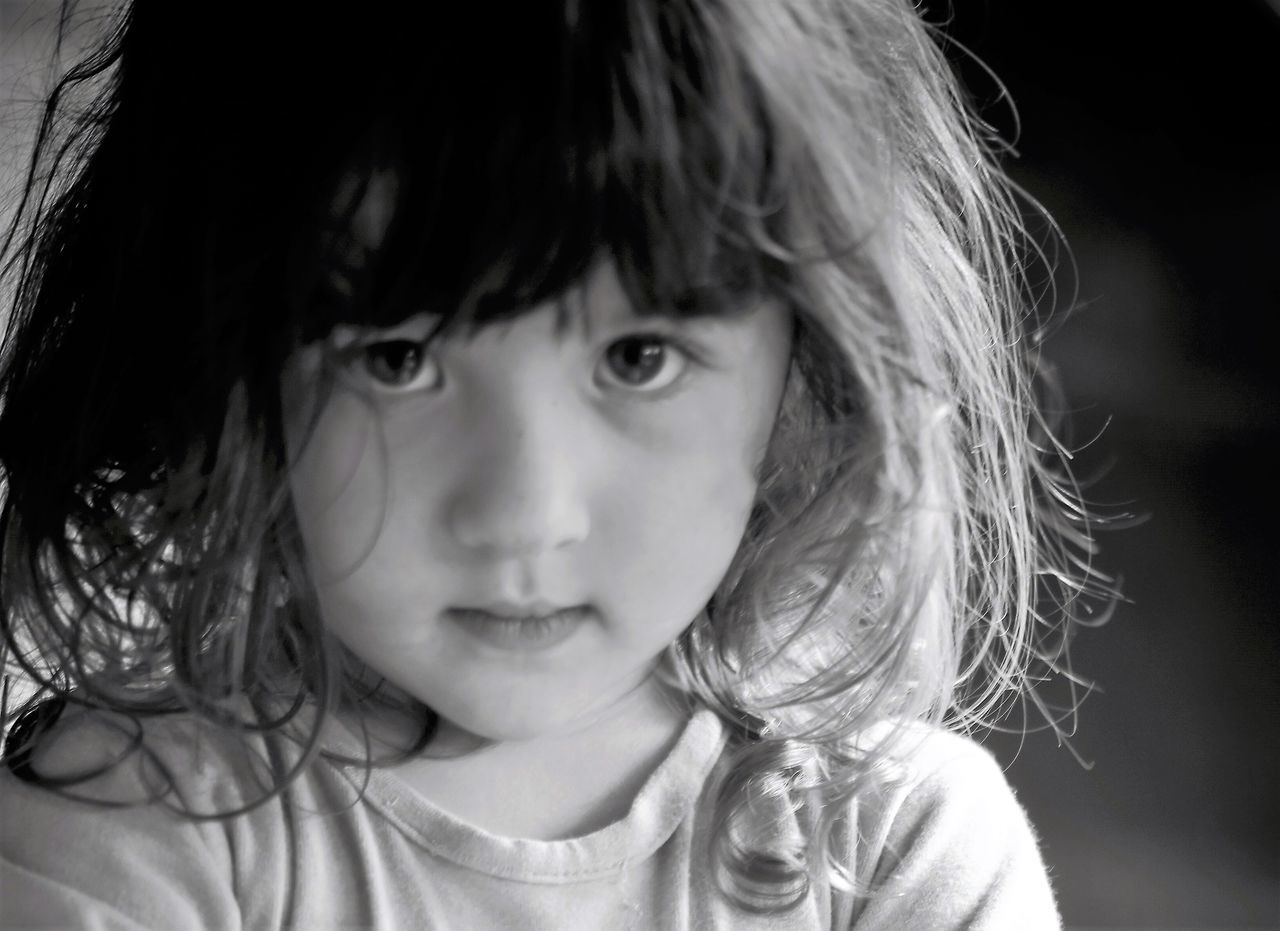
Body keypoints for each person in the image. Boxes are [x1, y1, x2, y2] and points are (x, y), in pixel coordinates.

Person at [0, 1, 1105, 927]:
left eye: (639, 355)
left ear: (810, 359)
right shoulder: (126, 834)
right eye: (396, 357)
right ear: (226, 362)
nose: (524, 515)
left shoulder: (898, 851)